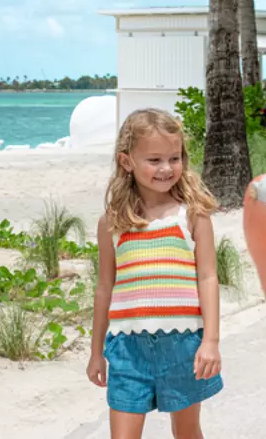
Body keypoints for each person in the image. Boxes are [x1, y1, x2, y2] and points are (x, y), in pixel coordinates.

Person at [87, 108, 224, 439]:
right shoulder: (112, 224)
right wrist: (95, 353)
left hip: (183, 346)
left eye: (174, 158)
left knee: (187, 433)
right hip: (126, 349)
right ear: (126, 161)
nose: (166, 168)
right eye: (154, 160)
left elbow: (208, 277)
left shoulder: (192, 215)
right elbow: (105, 287)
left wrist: (211, 341)